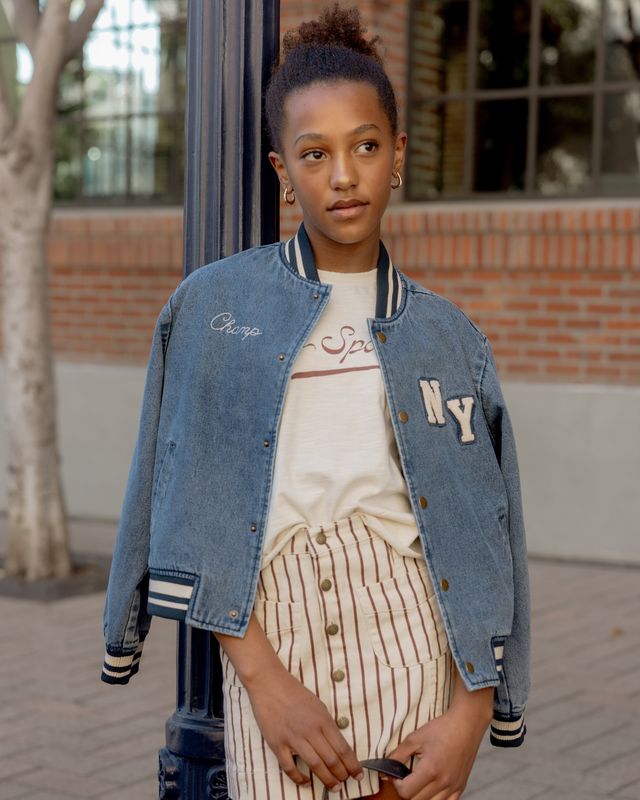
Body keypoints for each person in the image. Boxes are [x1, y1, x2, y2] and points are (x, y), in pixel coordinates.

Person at [101, 5, 530, 799]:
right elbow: (179, 490)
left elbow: (487, 532)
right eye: (314, 153)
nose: (343, 175)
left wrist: (471, 714)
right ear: (282, 171)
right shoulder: (215, 308)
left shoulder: (449, 337)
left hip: (412, 647)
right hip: (275, 645)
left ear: (397, 155)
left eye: (365, 146)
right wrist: (265, 682)